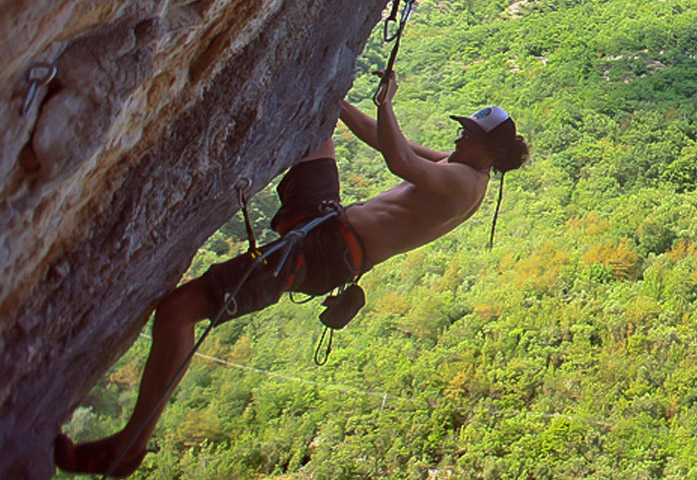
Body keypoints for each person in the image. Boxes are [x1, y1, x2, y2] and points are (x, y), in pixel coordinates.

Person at [52, 72, 528, 477]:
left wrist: (386, 102)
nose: (459, 136)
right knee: (316, 132)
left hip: (322, 256)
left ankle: (132, 443)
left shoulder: (464, 183)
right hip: (326, 222)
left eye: (469, 132)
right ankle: (131, 441)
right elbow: (383, 140)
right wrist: (335, 99)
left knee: (177, 311)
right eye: (463, 129)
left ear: (490, 150)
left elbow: (398, 160)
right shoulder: (457, 163)